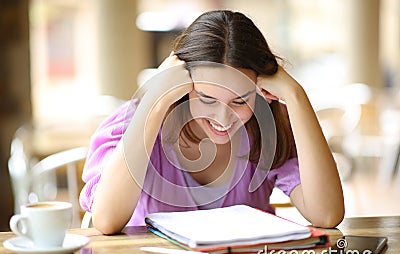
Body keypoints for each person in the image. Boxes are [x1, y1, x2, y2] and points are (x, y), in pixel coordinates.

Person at [79, 10, 344, 235]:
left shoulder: (268, 128)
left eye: (240, 101)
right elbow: (106, 220)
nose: (222, 117)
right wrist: (155, 100)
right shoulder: (131, 122)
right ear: (183, 85)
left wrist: (296, 97)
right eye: (206, 98)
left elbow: (327, 214)